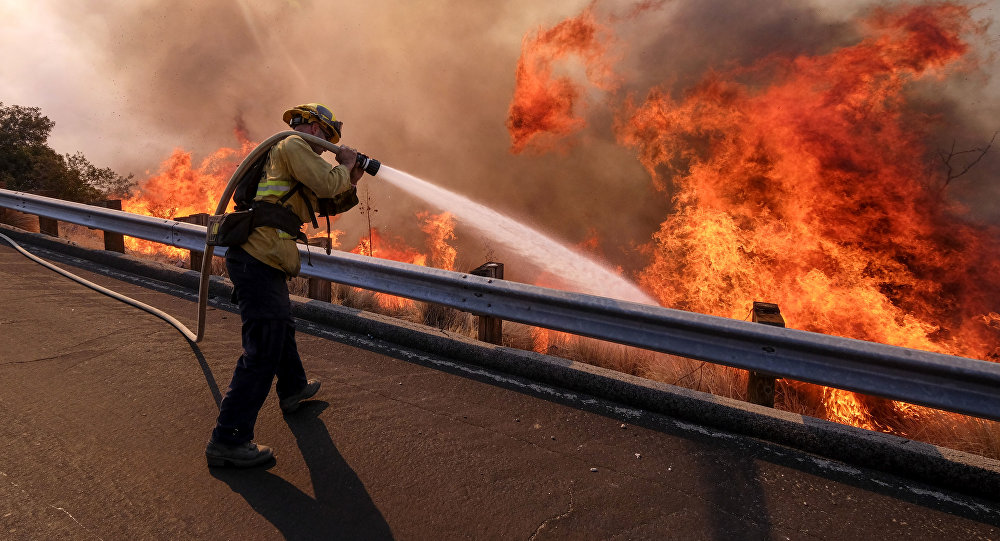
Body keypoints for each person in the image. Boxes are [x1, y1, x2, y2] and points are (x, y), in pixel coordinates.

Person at [206, 103, 365, 468]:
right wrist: (342, 165)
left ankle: (293, 389)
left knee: (281, 327)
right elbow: (327, 182)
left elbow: (327, 199)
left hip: (264, 257)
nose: (325, 144)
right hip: (258, 257)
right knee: (262, 349)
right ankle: (228, 439)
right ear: (309, 125)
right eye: (325, 136)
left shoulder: (294, 156)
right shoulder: (292, 145)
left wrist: (351, 177)